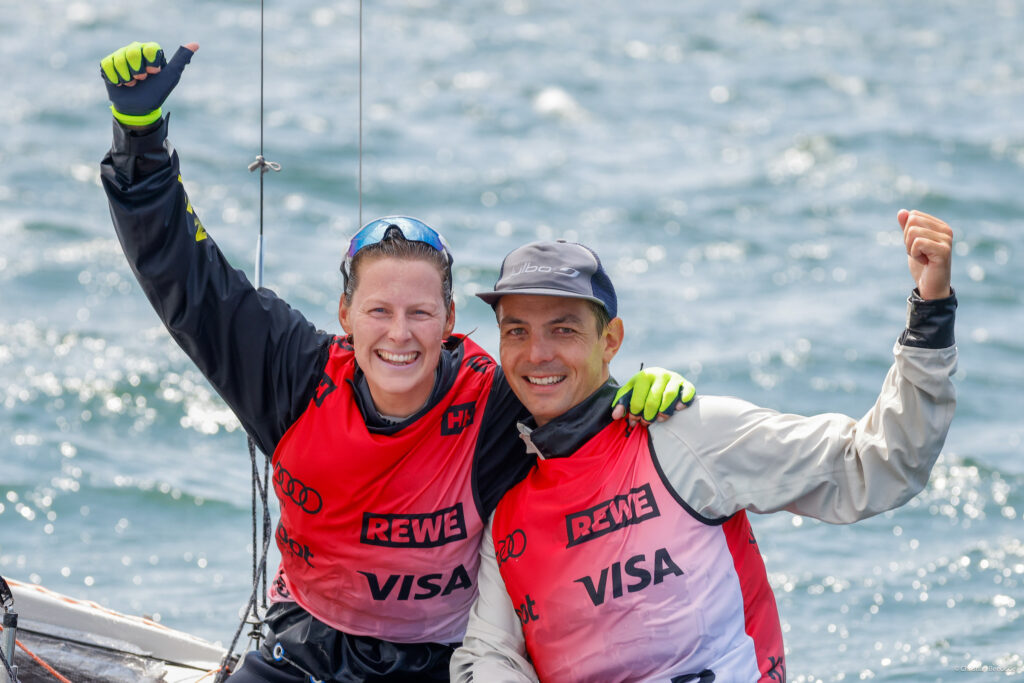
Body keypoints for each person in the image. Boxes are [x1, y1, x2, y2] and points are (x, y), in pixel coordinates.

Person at [98, 41, 694, 682]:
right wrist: (139, 137)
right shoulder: (291, 374)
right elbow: (184, 277)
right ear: (346, 318)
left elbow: (583, 404)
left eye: (420, 314)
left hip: (448, 657)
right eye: (379, 312)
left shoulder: (495, 403)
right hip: (308, 643)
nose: (400, 336)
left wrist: (645, 397)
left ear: (451, 323)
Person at [450, 214, 957, 682]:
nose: (538, 353)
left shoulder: (685, 434)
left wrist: (929, 311)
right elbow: (487, 655)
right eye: (517, 331)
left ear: (610, 341)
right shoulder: (509, 520)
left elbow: (879, 464)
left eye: (563, 328)